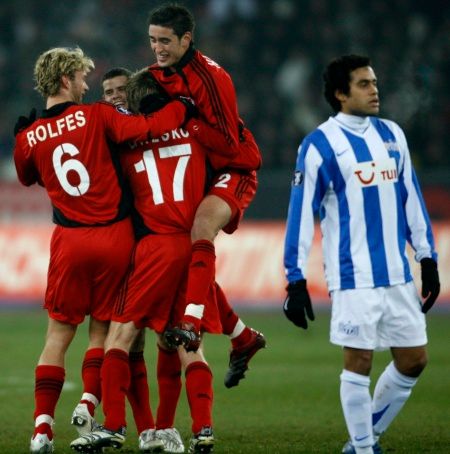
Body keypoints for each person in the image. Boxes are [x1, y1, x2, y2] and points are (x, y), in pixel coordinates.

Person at [13, 46, 194, 454]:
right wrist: (183, 107)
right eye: (80, 78)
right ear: (65, 80)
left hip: (68, 241)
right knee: (103, 332)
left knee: (57, 336)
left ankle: (42, 430)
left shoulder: (27, 138)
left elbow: (26, 176)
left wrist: (25, 137)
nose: (85, 85)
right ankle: (88, 402)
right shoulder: (97, 115)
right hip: (114, 238)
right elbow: (147, 128)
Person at [283, 54, 440, 454]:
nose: (375, 90)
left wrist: (427, 257)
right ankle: (365, 448)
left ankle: (362, 440)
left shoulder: (391, 134)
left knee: (414, 360)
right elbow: (301, 214)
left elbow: (411, 200)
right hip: (353, 275)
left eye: (374, 82)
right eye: (364, 84)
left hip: (398, 272)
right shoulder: (319, 144)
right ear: (340, 93)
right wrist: (295, 277)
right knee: (359, 364)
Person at [70, 67, 232, 454]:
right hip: (193, 246)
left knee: (122, 335)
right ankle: (198, 429)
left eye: (122, 91)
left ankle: (113, 425)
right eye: (108, 91)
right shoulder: (193, 131)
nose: (115, 97)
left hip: (152, 246)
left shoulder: (127, 143)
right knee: (185, 340)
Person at [147, 3, 266, 388]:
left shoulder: (213, 79)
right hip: (199, 172)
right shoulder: (153, 76)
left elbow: (232, 146)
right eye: (152, 40)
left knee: (201, 228)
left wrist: (188, 120)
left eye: (165, 41)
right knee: (183, 258)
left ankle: (191, 321)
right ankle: (243, 338)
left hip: (234, 169)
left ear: (186, 39)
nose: (158, 49)